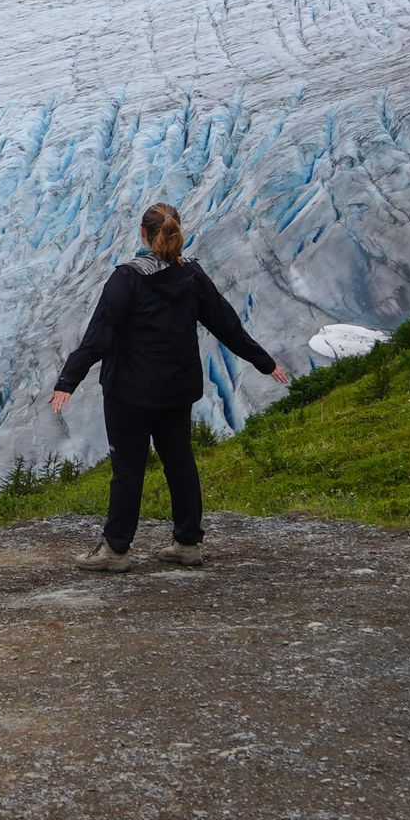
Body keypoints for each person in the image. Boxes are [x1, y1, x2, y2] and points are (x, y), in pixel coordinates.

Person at [49, 202, 288, 569]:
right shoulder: (191, 274)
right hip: (177, 390)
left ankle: (115, 550)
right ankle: (188, 543)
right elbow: (226, 324)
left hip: (130, 392)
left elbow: (99, 334)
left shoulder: (127, 278)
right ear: (177, 233)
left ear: (143, 234)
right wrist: (264, 361)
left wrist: (68, 380)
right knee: (179, 461)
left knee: (128, 468)